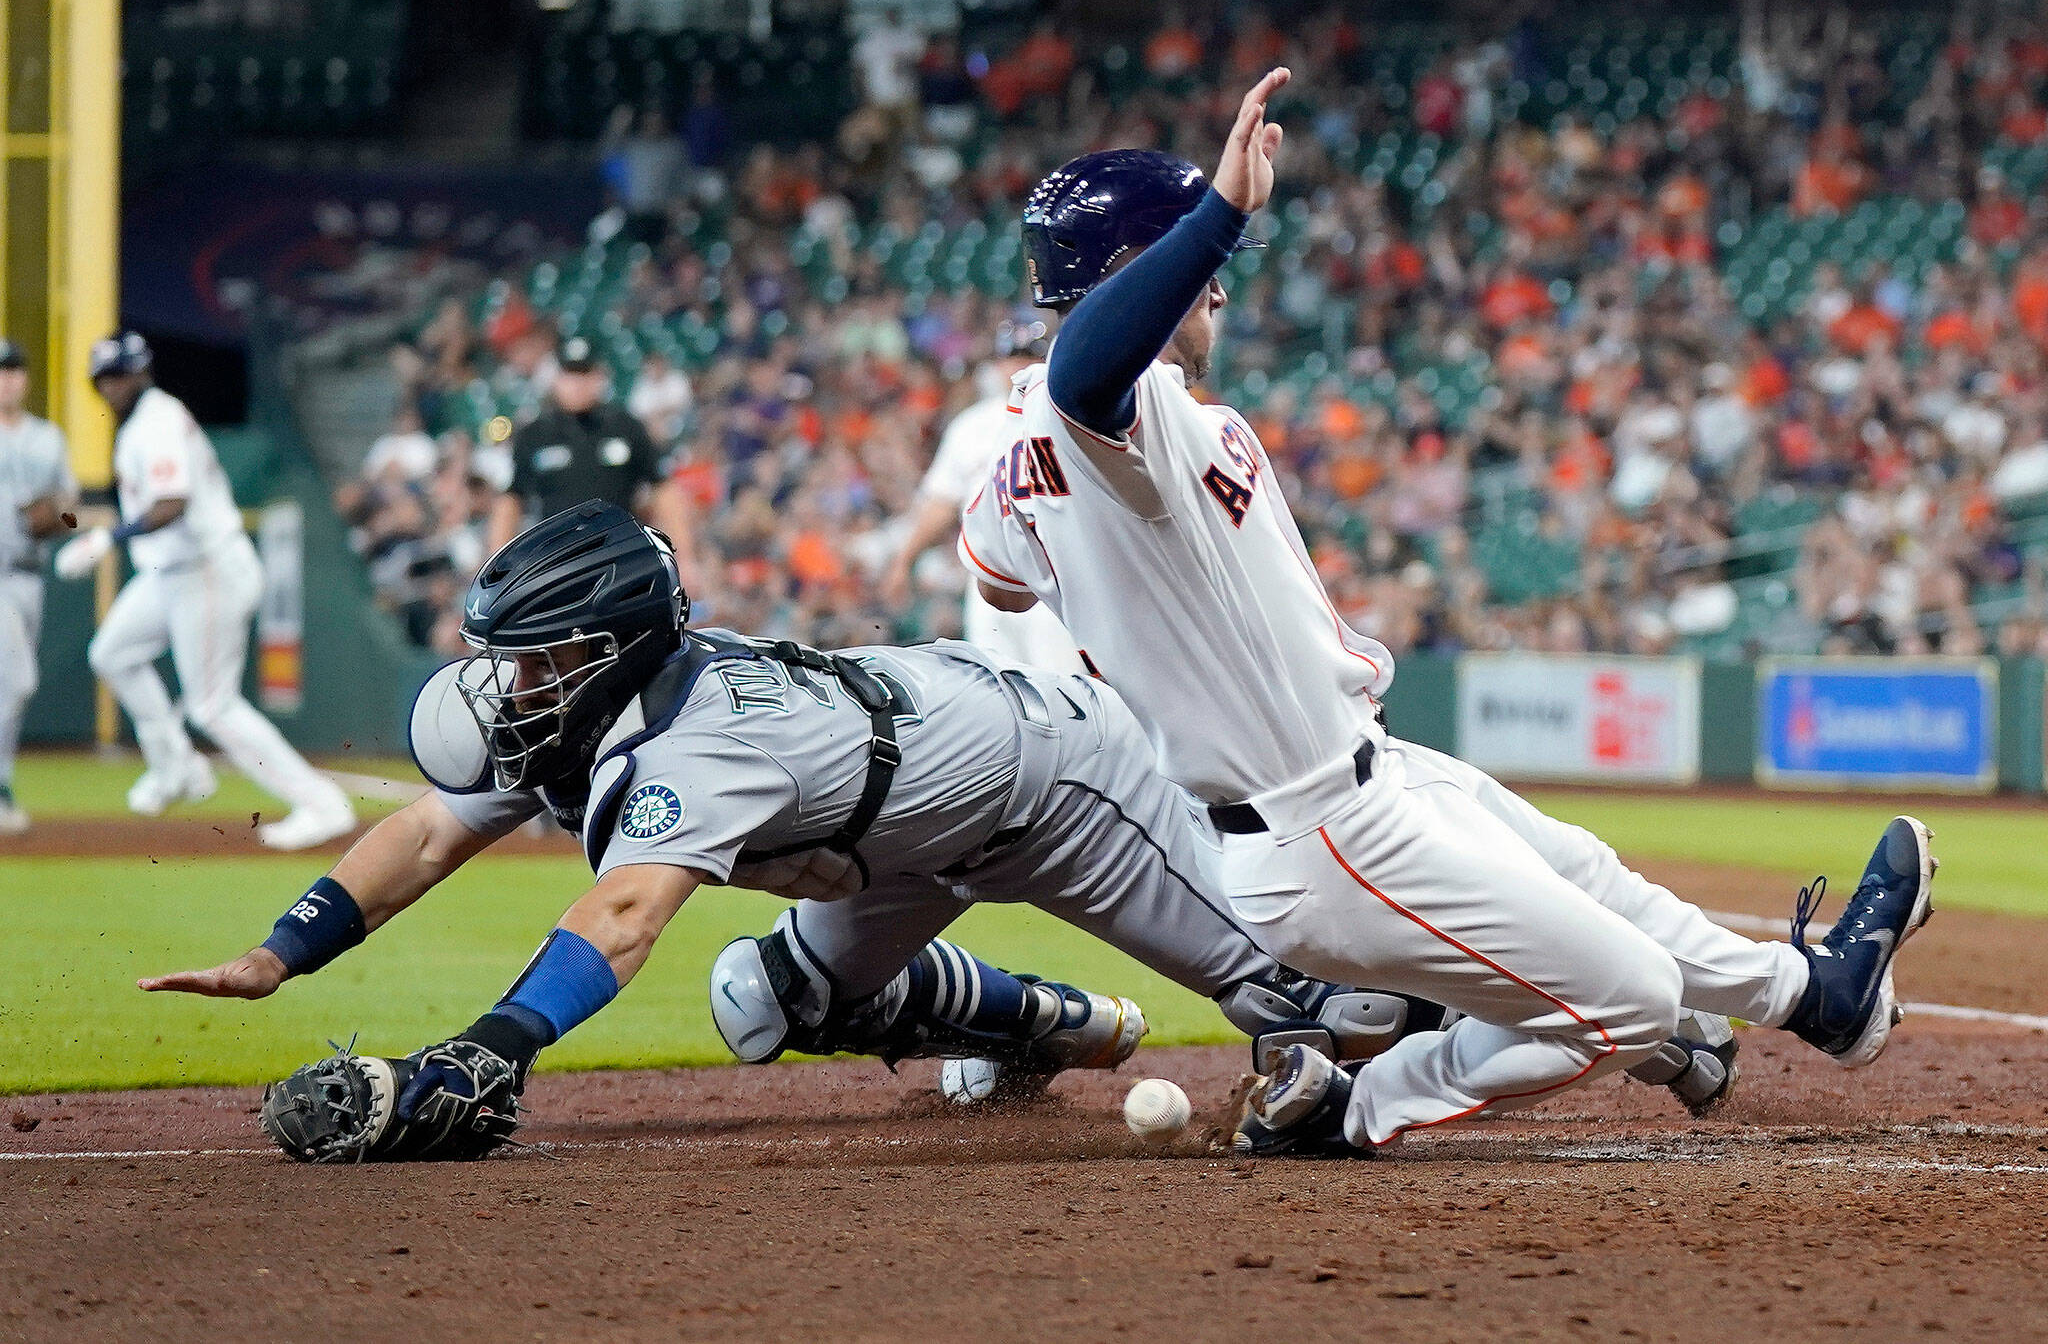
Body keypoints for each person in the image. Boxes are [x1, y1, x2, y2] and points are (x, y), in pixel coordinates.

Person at [959, 70, 1936, 1158]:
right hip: (1314, 829)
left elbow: (999, 570)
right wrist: (1220, 215)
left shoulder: (1016, 457)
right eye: (1192, 263)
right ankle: (1350, 1108)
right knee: (1635, 1000)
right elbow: (1084, 372)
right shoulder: (1106, 413)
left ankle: (1821, 994)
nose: (1219, 288)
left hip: (1367, 771)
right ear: (1134, 277)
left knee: (1591, 877)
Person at [139, 500, 1438, 1161]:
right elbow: (424, 833)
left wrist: (491, 1053)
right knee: (772, 1001)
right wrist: (282, 951)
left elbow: (624, 913)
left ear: (608, 652)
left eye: (539, 661)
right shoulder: (576, 717)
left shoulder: (699, 741)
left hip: (1050, 784)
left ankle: (1525, 984)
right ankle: (1051, 1023)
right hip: (901, 834)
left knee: (1332, 1006)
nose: (512, 684)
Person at [53, 332, 357, 852]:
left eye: (120, 374)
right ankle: (176, 766)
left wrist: (108, 536)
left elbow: (172, 501)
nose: (111, 386)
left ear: (141, 372)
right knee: (113, 653)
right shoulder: (140, 424)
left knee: (212, 706)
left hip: (207, 568)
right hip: (170, 573)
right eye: (104, 377)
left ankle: (322, 805)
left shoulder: (159, 419)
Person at [880, 319, 1081, 671]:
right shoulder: (970, 426)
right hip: (987, 579)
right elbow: (942, 501)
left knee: (1063, 685)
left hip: (1054, 577)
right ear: (998, 364)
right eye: (1012, 356)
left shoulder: (1069, 417)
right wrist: (904, 559)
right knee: (998, 687)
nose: (1020, 365)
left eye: (1030, 356)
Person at [487, 336, 673, 554]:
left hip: (622, 552)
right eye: (570, 374)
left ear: (599, 376)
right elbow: (511, 500)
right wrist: (496, 562)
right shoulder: (535, 434)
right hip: (558, 558)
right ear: (557, 378)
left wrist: (684, 555)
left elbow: (664, 489)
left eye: (584, 373)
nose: (577, 384)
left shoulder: (625, 426)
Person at [0, 339, 77, 833]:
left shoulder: (48, 438)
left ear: (25, 378)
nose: (7, 379)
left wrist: (54, 518)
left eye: (13, 370)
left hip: (29, 576)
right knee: (18, 680)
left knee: (12, 687)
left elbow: (70, 512)